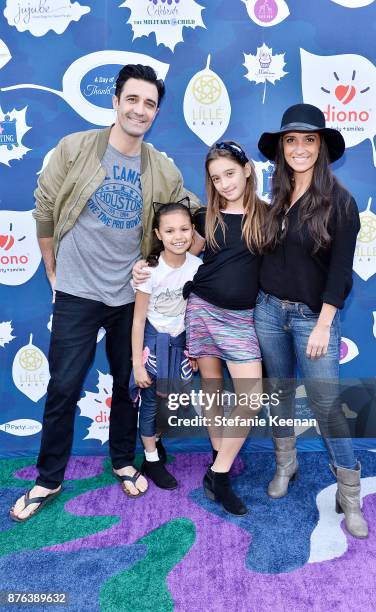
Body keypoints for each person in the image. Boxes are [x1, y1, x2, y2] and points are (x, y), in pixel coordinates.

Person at [10, 64, 200, 521]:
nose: (140, 110)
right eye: (132, 99)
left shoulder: (161, 167)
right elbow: (44, 208)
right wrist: (54, 270)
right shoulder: (75, 149)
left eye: (149, 103)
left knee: (129, 384)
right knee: (62, 386)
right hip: (77, 291)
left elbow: (186, 218)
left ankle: (121, 460)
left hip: (129, 298)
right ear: (115, 101)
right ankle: (48, 479)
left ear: (156, 112)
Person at [134, 141, 267, 516]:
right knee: (212, 389)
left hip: (241, 319)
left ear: (247, 170)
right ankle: (217, 455)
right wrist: (142, 268)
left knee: (250, 397)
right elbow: (171, 254)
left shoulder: (268, 217)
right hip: (203, 311)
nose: (224, 183)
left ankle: (218, 472)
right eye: (215, 178)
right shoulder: (207, 219)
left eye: (229, 173)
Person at [255, 103, 368, 538]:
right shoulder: (277, 196)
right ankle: (287, 463)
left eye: (308, 139)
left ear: (320, 147)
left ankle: (350, 494)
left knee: (326, 406)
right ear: (281, 148)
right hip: (267, 313)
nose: (299, 148)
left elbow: (340, 272)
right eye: (291, 140)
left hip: (311, 320)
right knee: (279, 393)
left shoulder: (341, 202)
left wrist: (322, 325)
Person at [129, 200, 202, 490]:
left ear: (193, 231)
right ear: (158, 234)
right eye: (169, 230)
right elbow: (137, 321)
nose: (178, 236)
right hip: (152, 342)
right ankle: (150, 459)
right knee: (149, 403)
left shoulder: (198, 267)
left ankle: (156, 443)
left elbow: (197, 313)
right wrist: (137, 362)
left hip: (181, 343)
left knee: (172, 403)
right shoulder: (149, 271)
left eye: (184, 229)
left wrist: (194, 350)